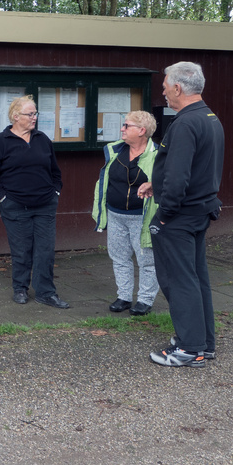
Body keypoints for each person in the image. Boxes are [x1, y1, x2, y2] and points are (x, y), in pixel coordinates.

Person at [138, 62, 224, 368]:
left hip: (179, 216)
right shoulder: (209, 118)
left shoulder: (185, 124)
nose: (162, 91)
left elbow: (178, 177)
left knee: (179, 281)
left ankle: (190, 350)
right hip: (199, 211)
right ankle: (204, 343)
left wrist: (163, 216)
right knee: (196, 278)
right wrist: (155, 184)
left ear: (177, 88)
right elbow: (196, 170)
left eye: (164, 86)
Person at [0, 95, 68, 309]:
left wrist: (55, 193)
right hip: (16, 207)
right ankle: (20, 288)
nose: (34, 118)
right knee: (21, 250)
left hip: (45, 205)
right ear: (15, 116)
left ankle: (46, 292)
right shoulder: (1, 142)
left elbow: (55, 173)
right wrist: (4, 198)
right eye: (30, 114)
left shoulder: (42, 140)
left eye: (35, 113)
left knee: (45, 250)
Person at [92, 111, 161, 316]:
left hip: (142, 217)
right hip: (115, 214)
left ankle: (145, 300)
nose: (122, 129)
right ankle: (123, 296)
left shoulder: (158, 155)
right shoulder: (114, 151)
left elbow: (168, 182)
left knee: (147, 260)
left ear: (142, 131)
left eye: (126, 125)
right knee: (119, 257)